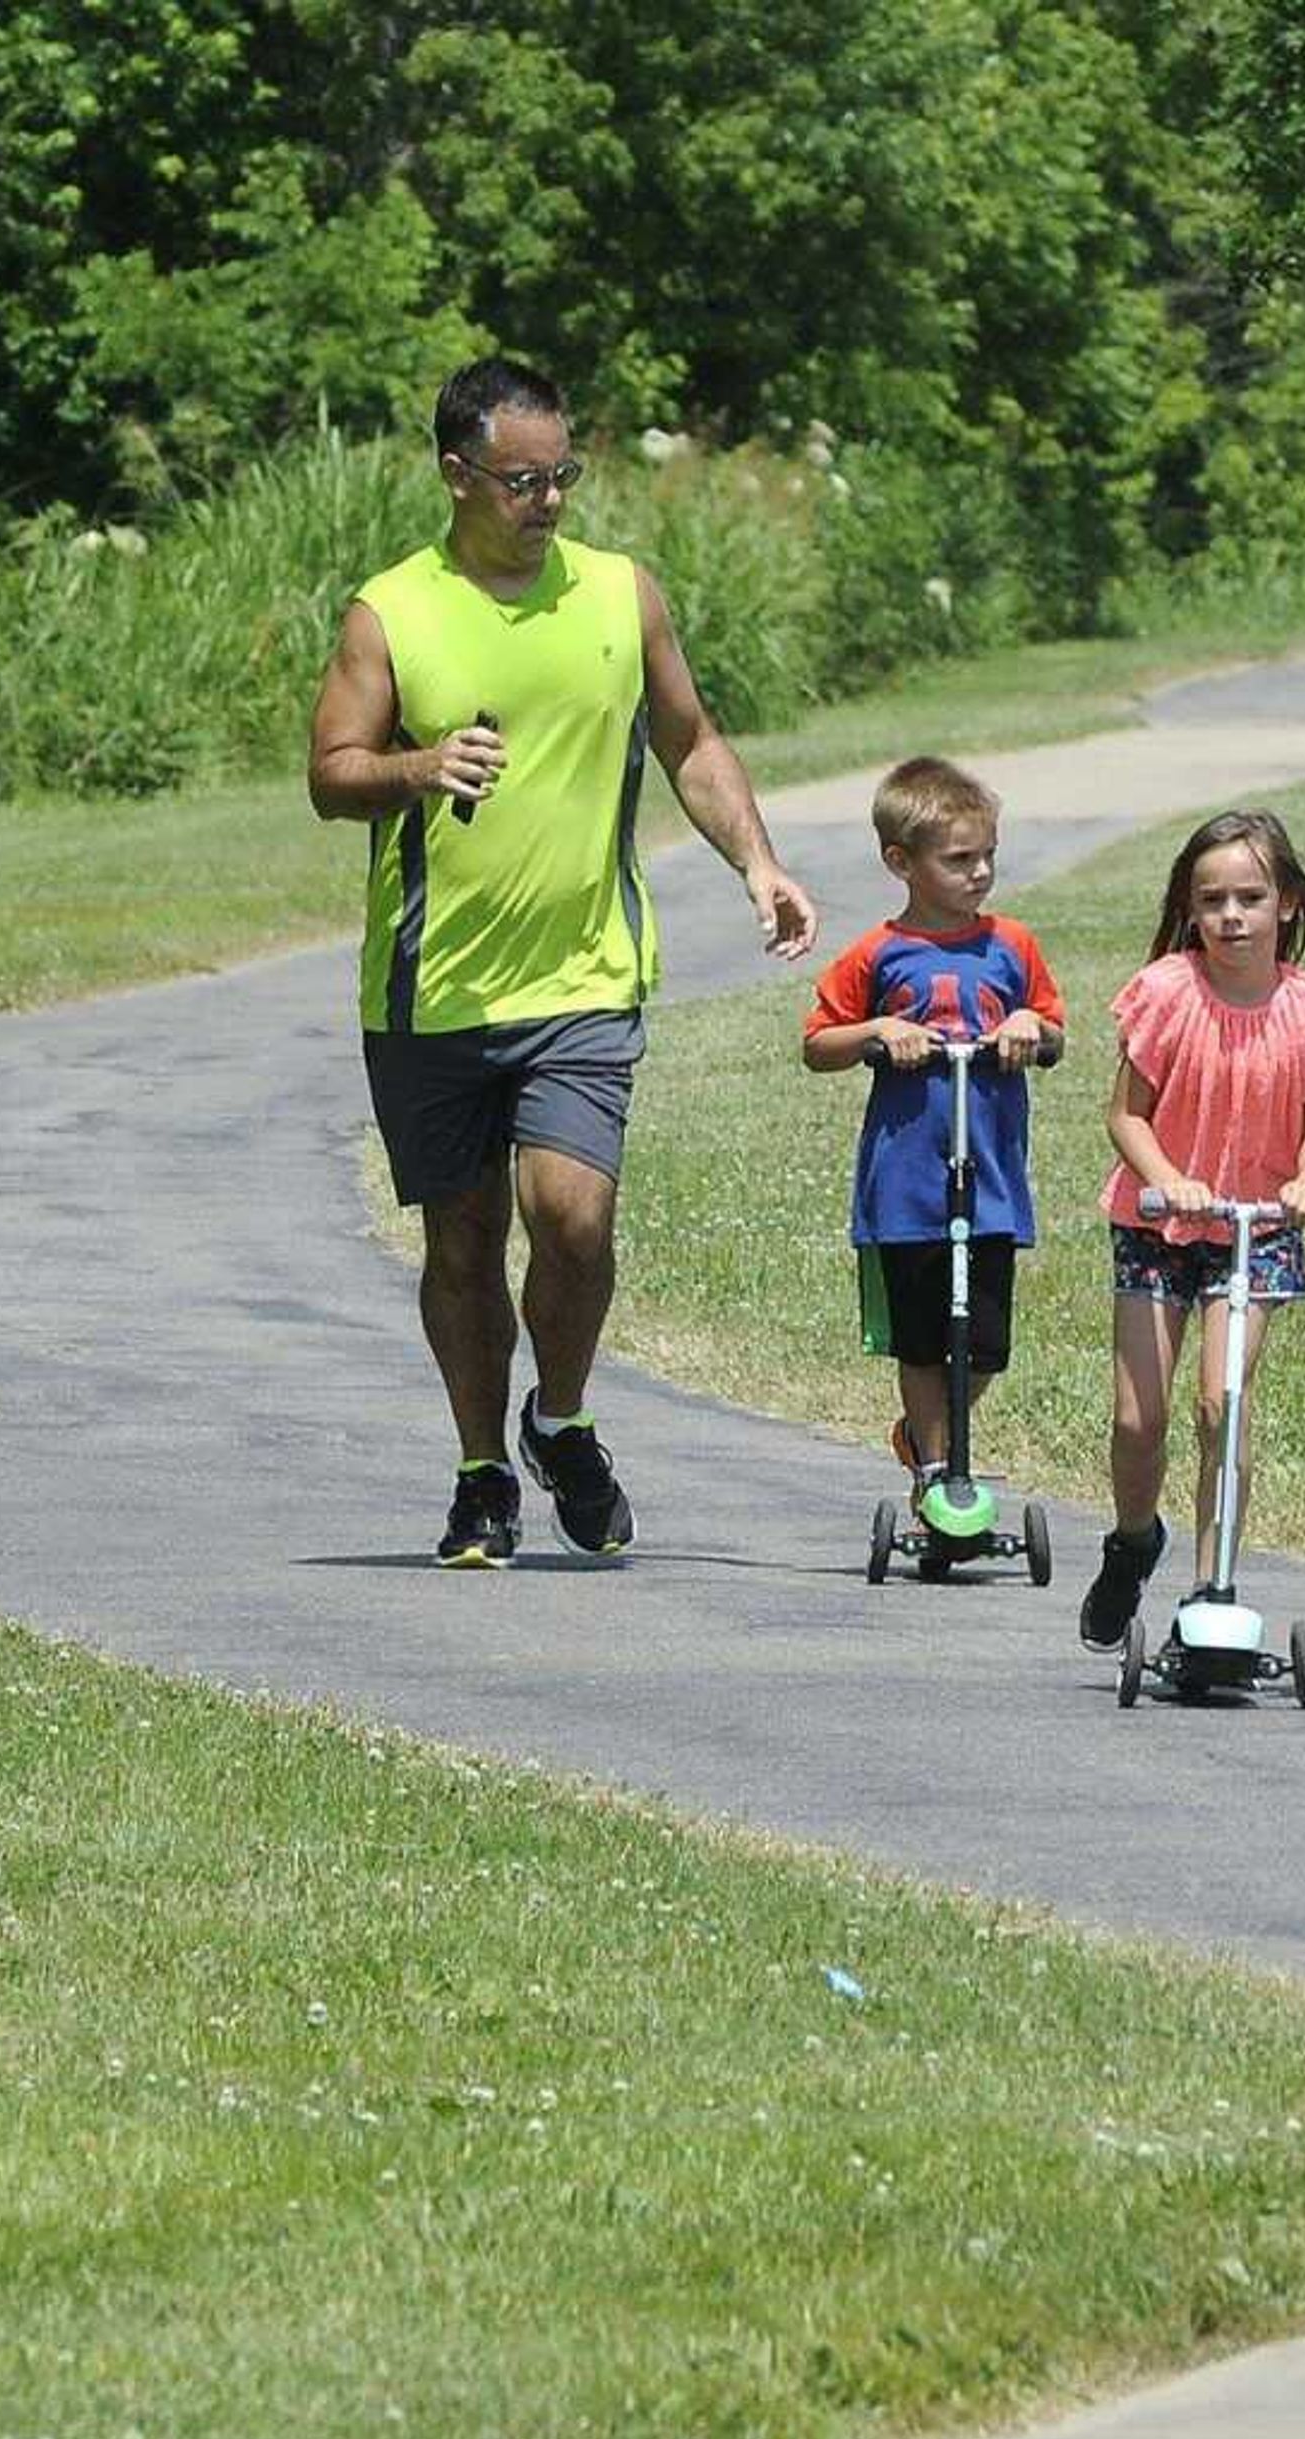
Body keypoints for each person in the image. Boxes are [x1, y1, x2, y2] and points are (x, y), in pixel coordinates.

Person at [307, 357, 818, 1568]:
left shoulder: (619, 595)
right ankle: (484, 1471)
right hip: (431, 988)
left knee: (572, 1218)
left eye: (562, 476)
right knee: (463, 1241)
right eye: (521, 479)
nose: (547, 500)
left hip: (586, 975)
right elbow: (332, 772)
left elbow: (689, 738)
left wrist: (758, 861)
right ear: (455, 475)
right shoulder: (393, 611)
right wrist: (417, 768)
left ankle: (563, 1417)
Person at [1079, 808, 1305, 1653]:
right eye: (1212, 901)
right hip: (1160, 1223)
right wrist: (1166, 1178)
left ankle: (1212, 1592)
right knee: (1142, 1418)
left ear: (1287, 905)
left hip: (1258, 1228)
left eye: (1250, 896)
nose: (1231, 916)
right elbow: (1125, 1116)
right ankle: (1133, 1542)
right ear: (1190, 909)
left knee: (1222, 1407)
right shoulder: (1169, 993)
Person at [800, 758, 1067, 1503]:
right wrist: (878, 1030)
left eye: (988, 856)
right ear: (900, 862)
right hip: (908, 1182)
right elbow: (818, 1044)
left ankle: (929, 1437)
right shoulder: (877, 955)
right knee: (922, 1339)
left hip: (989, 1176)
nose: (980, 872)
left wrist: (1026, 1025)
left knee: (984, 1344)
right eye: (959, 859)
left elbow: (1053, 1031)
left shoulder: (1012, 945)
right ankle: (934, 1474)